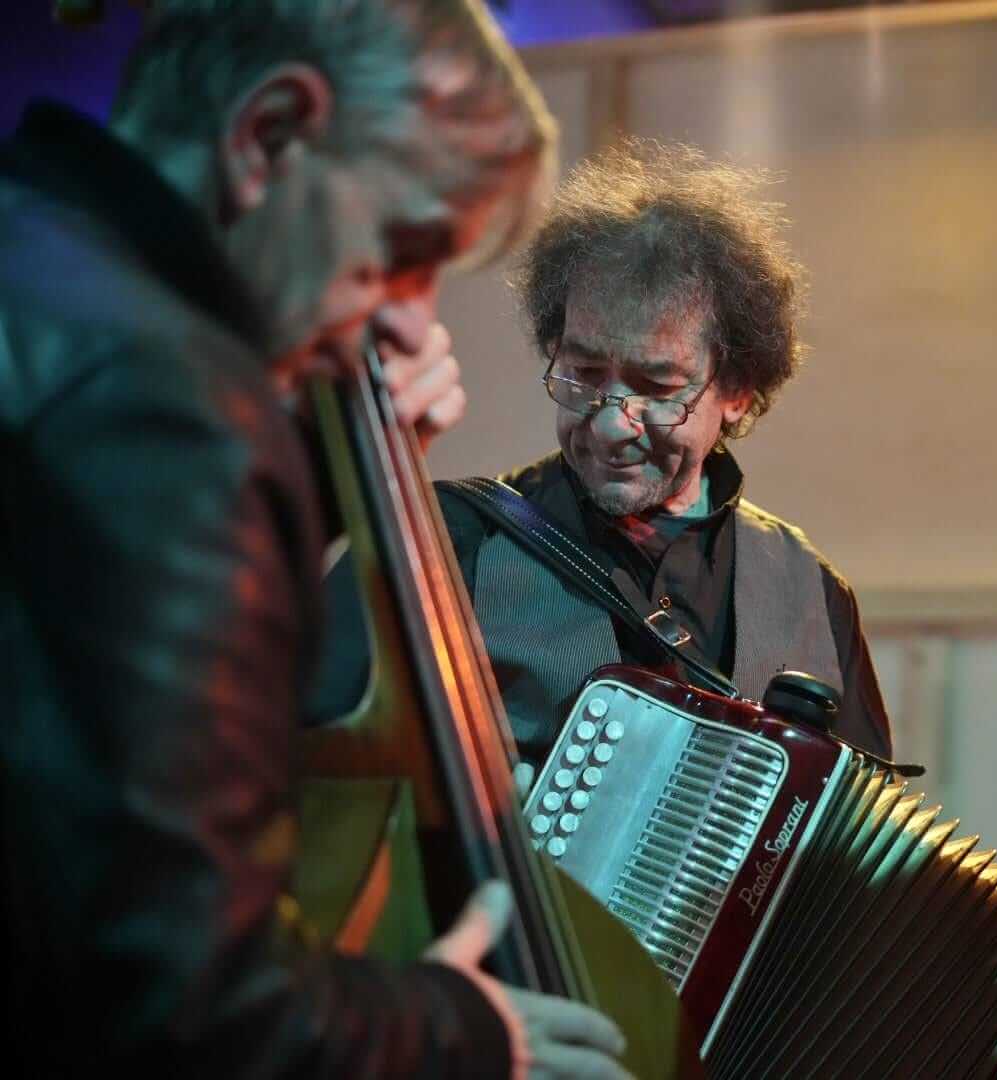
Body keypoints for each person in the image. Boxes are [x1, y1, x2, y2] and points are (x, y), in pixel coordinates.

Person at [1, 1, 632, 1076]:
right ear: (271, 135)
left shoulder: (35, 251)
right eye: (408, 247)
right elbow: (186, 1007)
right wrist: (467, 1030)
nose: (408, 319)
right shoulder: (171, 410)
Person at [312, 140, 894, 768]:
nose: (613, 426)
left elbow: (859, 836)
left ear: (736, 392)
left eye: (657, 387)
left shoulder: (812, 592)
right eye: (585, 375)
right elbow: (318, 780)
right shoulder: (445, 544)